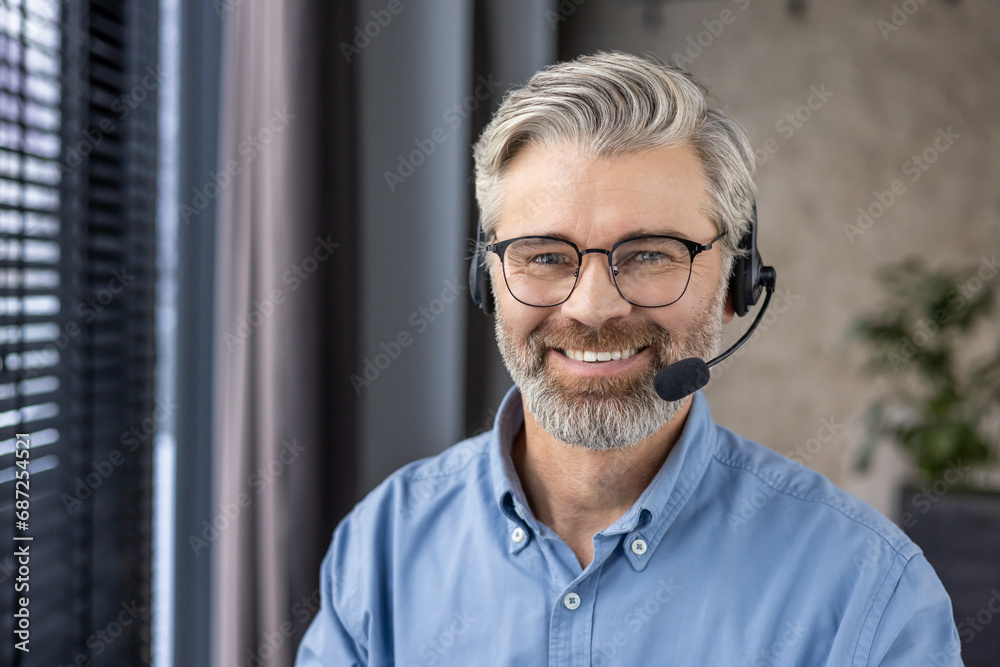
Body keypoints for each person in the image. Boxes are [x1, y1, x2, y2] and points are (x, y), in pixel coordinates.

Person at [296, 51, 962, 666]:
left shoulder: (869, 594)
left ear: (737, 283)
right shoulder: (382, 547)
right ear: (487, 278)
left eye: (649, 254)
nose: (591, 308)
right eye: (545, 256)